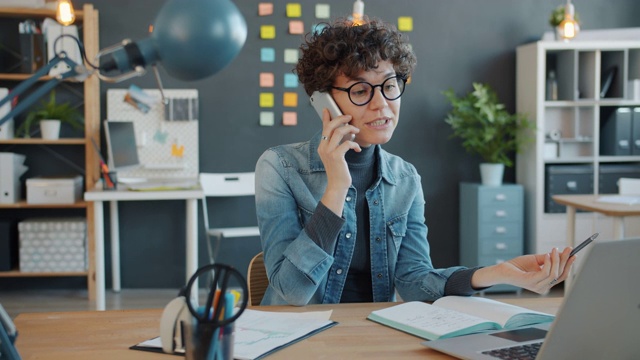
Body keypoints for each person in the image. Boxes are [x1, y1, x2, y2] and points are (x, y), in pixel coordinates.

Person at [254, 17, 575, 306]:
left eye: (389, 86)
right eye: (361, 90)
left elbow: (414, 281)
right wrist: (337, 188)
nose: (382, 104)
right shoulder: (279, 167)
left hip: (374, 333)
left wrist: (498, 273)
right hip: (299, 337)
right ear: (323, 101)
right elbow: (291, 292)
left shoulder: (404, 178)